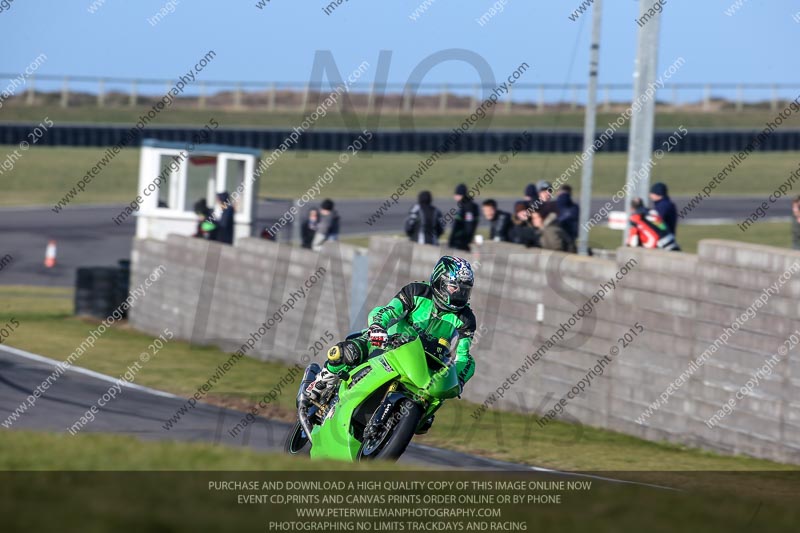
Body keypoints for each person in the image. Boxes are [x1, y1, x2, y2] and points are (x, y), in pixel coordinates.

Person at [304, 256, 477, 433]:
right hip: (391, 343)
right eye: (454, 287)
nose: (459, 295)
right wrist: (378, 328)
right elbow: (388, 311)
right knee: (347, 351)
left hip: (426, 365)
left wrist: (458, 379)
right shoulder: (417, 291)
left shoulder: (466, 319)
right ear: (440, 281)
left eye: (464, 290)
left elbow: (463, 356)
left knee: (426, 419)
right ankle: (318, 385)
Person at [448, 184, 479, 251]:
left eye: (456, 194)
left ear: (460, 195)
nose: (454, 196)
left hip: (461, 242)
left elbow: (469, 226)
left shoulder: (468, 206)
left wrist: (466, 241)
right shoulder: (463, 205)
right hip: (458, 240)